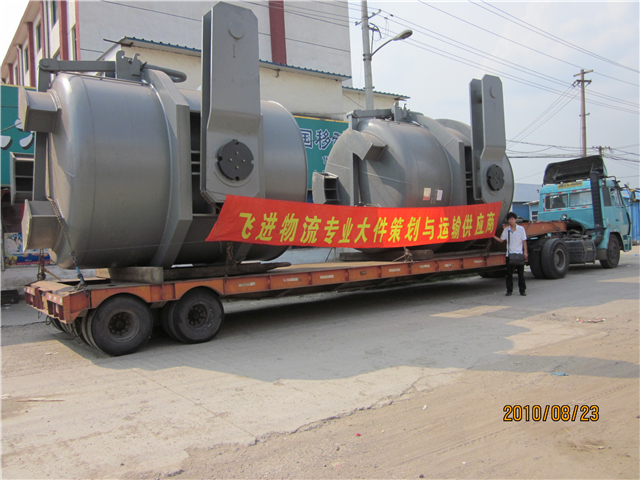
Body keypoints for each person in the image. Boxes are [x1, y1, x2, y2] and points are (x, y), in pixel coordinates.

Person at [493, 212, 528, 296]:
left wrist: (525, 252)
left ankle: (522, 290)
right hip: (509, 255)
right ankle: (509, 290)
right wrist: (493, 236)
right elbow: (501, 240)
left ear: (515, 219)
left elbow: (524, 241)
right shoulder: (506, 230)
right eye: (509, 219)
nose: (511, 221)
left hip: (519, 254)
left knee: (521, 274)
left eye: (512, 219)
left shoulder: (521, 229)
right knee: (509, 274)